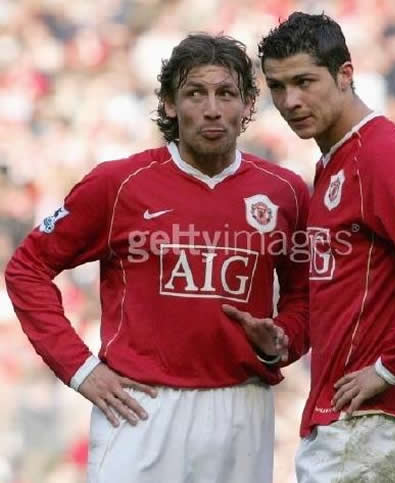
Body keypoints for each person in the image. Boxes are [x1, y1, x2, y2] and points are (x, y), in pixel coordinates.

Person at [5, 33, 310, 483]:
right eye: (195, 93)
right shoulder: (119, 184)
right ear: (169, 104)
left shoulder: (286, 193)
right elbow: (26, 268)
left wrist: (283, 340)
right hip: (139, 406)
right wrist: (80, 369)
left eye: (226, 93)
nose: (211, 108)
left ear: (247, 106)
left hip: (242, 409)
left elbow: (306, 297)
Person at [224, 11, 395, 482]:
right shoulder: (333, 164)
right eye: (278, 87)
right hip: (362, 418)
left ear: (346, 75)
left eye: (304, 81)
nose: (291, 100)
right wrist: (284, 339)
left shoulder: (380, 152)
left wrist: (387, 370)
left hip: (372, 420)